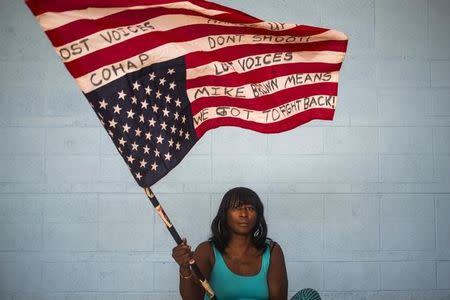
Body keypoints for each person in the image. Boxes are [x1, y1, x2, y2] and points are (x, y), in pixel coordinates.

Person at [172, 187, 288, 300]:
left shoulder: (272, 251)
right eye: (236, 207)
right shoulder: (207, 250)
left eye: (251, 208)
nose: (244, 214)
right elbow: (193, 298)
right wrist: (185, 268)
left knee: (306, 295)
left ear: (258, 216)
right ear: (224, 214)